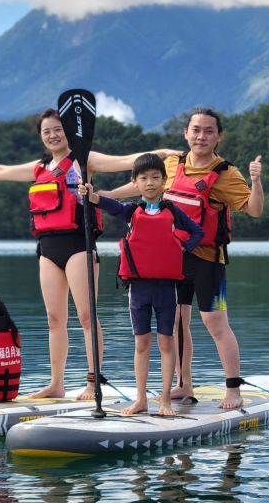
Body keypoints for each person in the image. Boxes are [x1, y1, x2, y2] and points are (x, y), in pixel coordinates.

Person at [0, 108, 178, 400]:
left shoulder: (85, 160)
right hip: (48, 249)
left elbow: (127, 161)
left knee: (86, 317)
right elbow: (3, 171)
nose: (53, 135)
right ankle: (56, 383)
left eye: (58, 129)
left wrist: (163, 152)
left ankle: (93, 382)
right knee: (54, 319)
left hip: (78, 245)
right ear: (41, 138)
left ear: (68, 132)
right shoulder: (39, 167)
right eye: (47, 132)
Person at [105, 108, 263, 409]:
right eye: (196, 130)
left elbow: (253, 209)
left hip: (208, 260)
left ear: (218, 136)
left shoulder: (226, 174)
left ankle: (233, 389)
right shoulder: (171, 164)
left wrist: (257, 182)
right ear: (186, 133)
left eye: (208, 131)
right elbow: (142, 186)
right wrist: (104, 194)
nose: (201, 136)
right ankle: (183, 385)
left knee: (215, 322)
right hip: (172, 261)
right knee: (177, 322)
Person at [79, 153, 204, 416]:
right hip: (138, 290)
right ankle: (141, 400)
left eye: (155, 177)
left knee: (166, 343)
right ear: (135, 182)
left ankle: (165, 400)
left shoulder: (172, 211)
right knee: (141, 344)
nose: (150, 182)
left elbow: (197, 232)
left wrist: (181, 248)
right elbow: (106, 204)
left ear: (164, 181)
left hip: (166, 289)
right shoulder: (131, 211)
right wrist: (89, 194)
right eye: (144, 178)